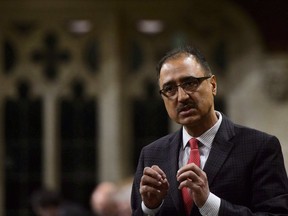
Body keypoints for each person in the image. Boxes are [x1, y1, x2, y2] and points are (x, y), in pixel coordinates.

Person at [131, 45, 288, 215]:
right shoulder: (152, 154)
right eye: (170, 89)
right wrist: (150, 208)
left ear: (213, 85)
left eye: (190, 83)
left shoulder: (260, 147)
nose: (182, 97)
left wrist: (210, 204)